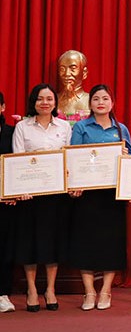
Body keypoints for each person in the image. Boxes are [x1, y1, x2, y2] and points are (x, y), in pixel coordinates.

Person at [67, 84, 131, 311]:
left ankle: (105, 291)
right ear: (91, 103)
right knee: (85, 242)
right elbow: (73, 157)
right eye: (96, 99)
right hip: (87, 194)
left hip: (112, 195)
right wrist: (74, 185)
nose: (101, 103)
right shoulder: (81, 127)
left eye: (105, 98)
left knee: (111, 243)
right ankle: (89, 292)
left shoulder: (121, 129)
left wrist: (126, 155)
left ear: (112, 102)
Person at [11, 84, 72, 312]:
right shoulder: (22, 127)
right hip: (30, 195)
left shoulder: (64, 127)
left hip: (56, 195)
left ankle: (50, 289)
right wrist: (21, 187)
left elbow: (69, 158)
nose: (44, 103)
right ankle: (32, 289)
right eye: (40, 99)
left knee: (52, 242)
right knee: (29, 243)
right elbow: (17, 159)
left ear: (55, 102)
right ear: (33, 102)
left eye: (49, 98)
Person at [0, 91, 16, 313]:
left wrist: (13, 191)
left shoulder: (12, 133)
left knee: (4, 247)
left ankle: (3, 293)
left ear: (2, 107)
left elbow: (19, 165)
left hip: (5, 199)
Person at [56, 50, 90, 121]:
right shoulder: (53, 100)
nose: (67, 74)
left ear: (84, 73)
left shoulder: (91, 100)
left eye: (73, 69)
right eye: (62, 69)